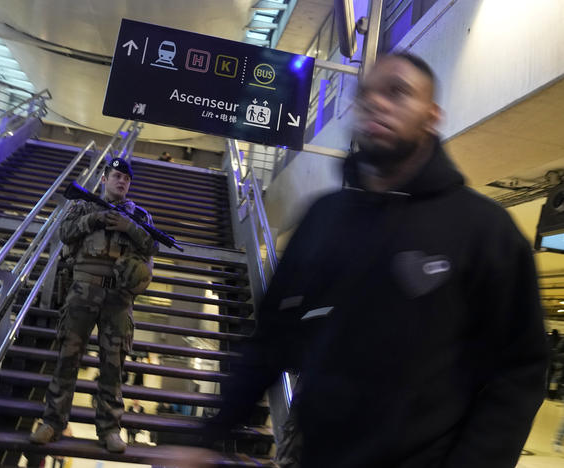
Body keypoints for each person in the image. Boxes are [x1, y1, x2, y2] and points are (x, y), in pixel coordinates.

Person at [177, 52, 548, 467]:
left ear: (432, 115)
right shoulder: (324, 218)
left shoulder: (484, 231)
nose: (376, 102)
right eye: (366, 93)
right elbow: (270, 342)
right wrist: (210, 437)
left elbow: (520, 370)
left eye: (398, 92)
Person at [30, 158, 158, 453]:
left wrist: (129, 227)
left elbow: (153, 246)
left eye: (126, 178)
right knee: (67, 359)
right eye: (116, 176)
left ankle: (110, 429)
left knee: (113, 366)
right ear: (104, 179)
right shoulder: (83, 205)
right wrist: (96, 219)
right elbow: (65, 233)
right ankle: (52, 422)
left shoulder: (139, 214)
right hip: (82, 290)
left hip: (119, 298)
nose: (122, 181)